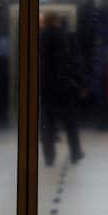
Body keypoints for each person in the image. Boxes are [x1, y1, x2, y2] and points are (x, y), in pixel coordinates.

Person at [40, 13, 86, 166]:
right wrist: (80, 83)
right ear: (58, 21)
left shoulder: (41, 38)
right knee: (70, 121)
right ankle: (75, 152)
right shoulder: (68, 37)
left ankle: (49, 157)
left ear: (45, 22)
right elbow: (76, 62)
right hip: (65, 86)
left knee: (47, 123)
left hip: (46, 87)